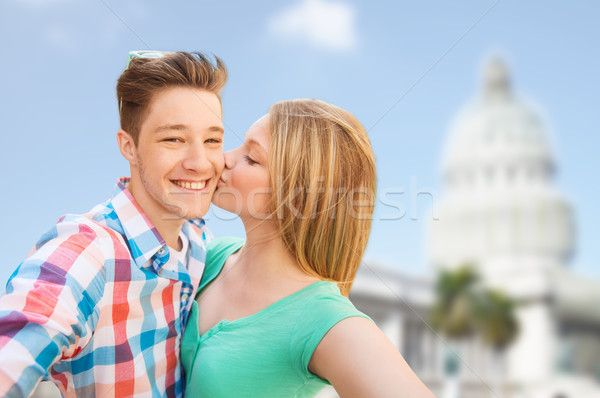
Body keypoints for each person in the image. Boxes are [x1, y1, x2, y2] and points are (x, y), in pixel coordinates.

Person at [0, 51, 227, 398]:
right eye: (174, 139)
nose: (200, 162)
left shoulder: (198, 244)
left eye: (212, 140)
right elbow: (18, 337)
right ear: (129, 147)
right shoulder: (90, 249)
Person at [181, 99, 435, 397]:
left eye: (251, 158)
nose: (223, 158)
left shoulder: (324, 319)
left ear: (298, 197)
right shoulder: (209, 257)